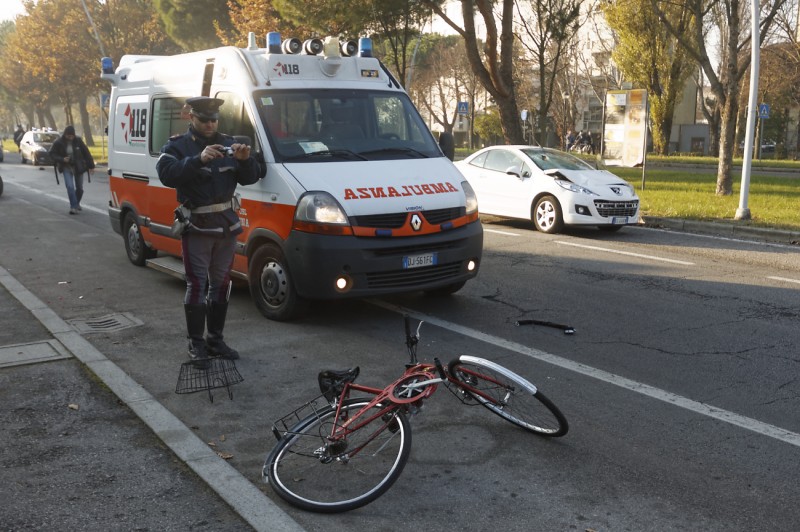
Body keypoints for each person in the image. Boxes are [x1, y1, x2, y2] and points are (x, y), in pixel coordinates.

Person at [156, 96, 263, 368]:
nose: (210, 124)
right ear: (191, 117)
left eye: (214, 119)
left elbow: (251, 177)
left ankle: (215, 339)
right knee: (196, 284)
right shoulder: (177, 145)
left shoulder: (229, 142)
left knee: (222, 284)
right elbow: (167, 174)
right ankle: (196, 343)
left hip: (226, 225)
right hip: (198, 226)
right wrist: (198, 160)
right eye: (204, 119)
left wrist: (245, 160)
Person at [49, 125, 95, 215]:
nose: (70, 138)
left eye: (72, 136)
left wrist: (91, 166)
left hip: (79, 167)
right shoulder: (58, 142)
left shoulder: (78, 141)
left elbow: (86, 153)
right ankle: (73, 207)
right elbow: (52, 153)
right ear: (65, 134)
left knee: (80, 188)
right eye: (68, 136)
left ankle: (76, 203)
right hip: (66, 167)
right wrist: (62, 159)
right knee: (70, 186)